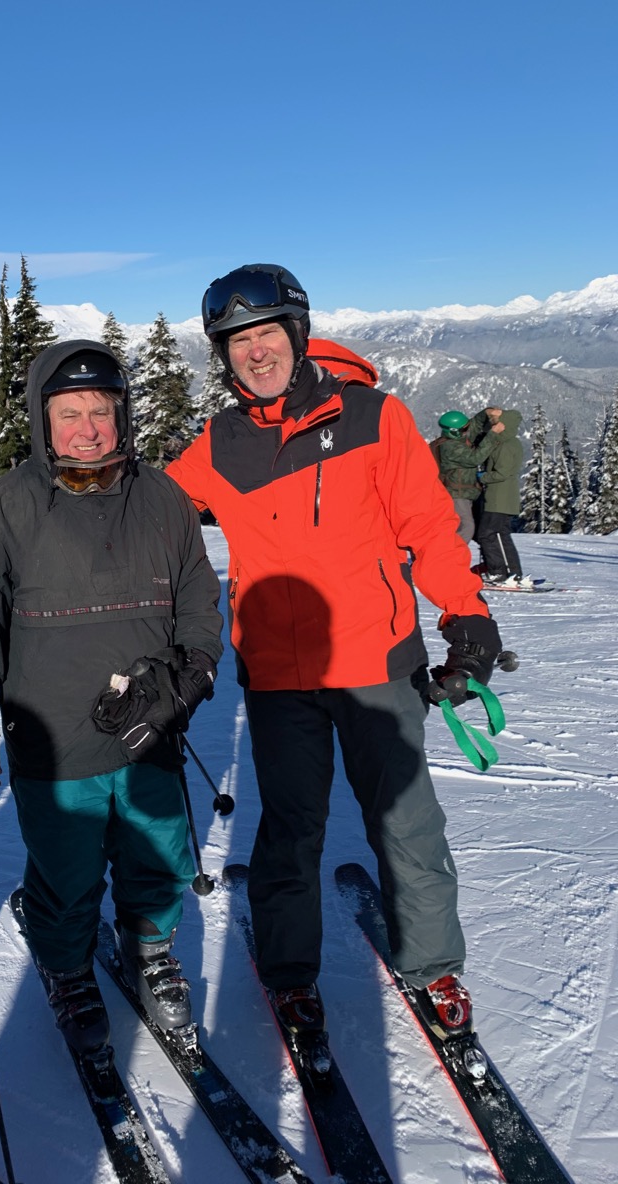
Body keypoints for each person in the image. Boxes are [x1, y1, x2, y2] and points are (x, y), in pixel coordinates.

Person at [166, 263, 505, 1047]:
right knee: (290, 827)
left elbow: (429, 527)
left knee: (406, 822)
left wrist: (466, 613)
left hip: (378, 662)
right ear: (223, 355)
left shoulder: (372, 417)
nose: (255, 352)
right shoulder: (218, 444)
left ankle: (433, 965)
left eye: (267, 334)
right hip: (278, 678)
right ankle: (290, 974)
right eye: (238, 341)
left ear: (297, 334)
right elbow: (153, 512)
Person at [0, 340, 222, 1054]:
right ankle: (67, 966)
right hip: (54, 734)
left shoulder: (160, 497)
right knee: (65, 868)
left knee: (158, 849)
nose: (89, 430)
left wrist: (193, 671)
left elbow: (197, 594)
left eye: (102, 411)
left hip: (151, 724)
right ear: (43, 421)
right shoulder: (8, 505)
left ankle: (150, 948)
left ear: (123, 414)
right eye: (70, 414)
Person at [472, 407, 529, 588]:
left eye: (496, 421)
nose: (493, 424)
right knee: (500, 534)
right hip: (502, 496)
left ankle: (500, 572)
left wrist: (481, 477)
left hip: (499, 497)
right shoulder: (508, 442)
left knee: (487, 534)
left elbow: (502, 473)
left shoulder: (505, 445)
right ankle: (512, 573)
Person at [429, 409, 503, 542]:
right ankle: (451, 552)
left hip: (464, 493)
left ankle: (450, 551)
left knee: (466, 526)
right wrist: (493, 434)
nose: (467, 430)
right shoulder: (450, 447)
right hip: (456, 494)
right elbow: (475, 458)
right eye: (464, 428)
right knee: (466, 527)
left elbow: (474, 425)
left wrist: (487, 412)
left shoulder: (457, 438)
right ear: (454, 431)